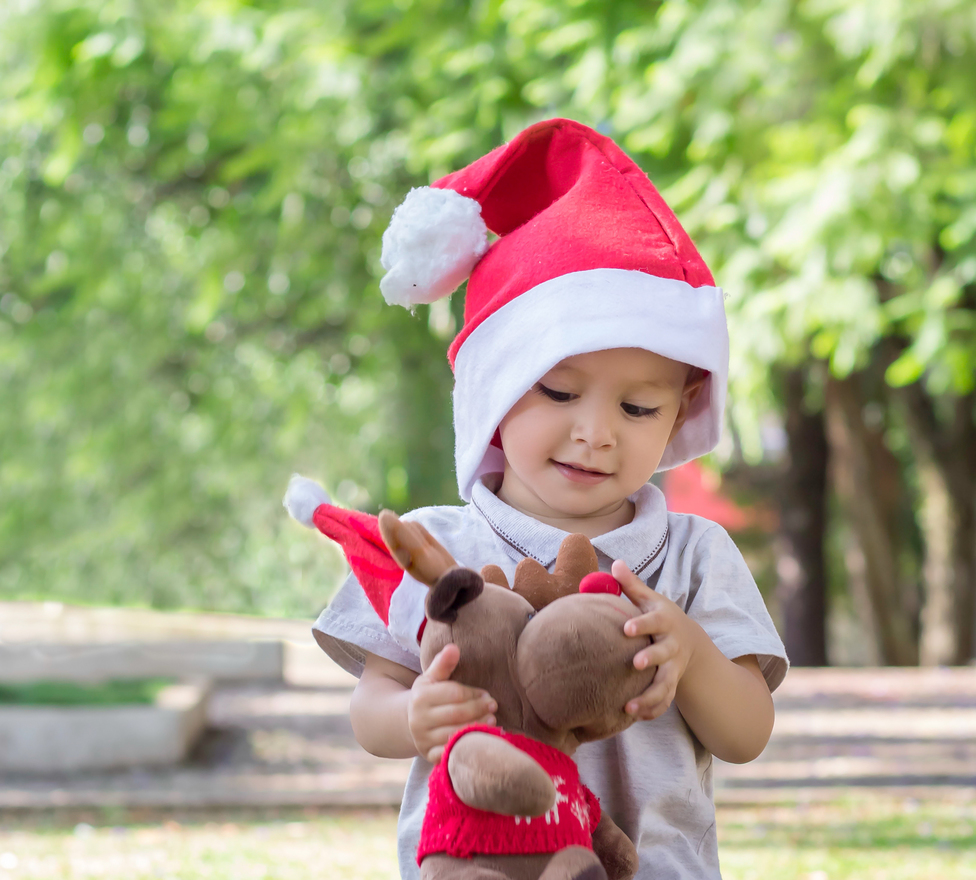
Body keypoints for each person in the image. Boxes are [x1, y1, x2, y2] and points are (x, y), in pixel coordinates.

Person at [311, 118, 788, 879]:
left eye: (638, 409)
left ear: (681, 409)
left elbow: (746, 733)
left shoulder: (695, 558)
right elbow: (372, 709)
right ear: (495, 390)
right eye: (559, 392)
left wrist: (688, 652)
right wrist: (414, 717)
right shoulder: (441, 552)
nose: (596, 433)